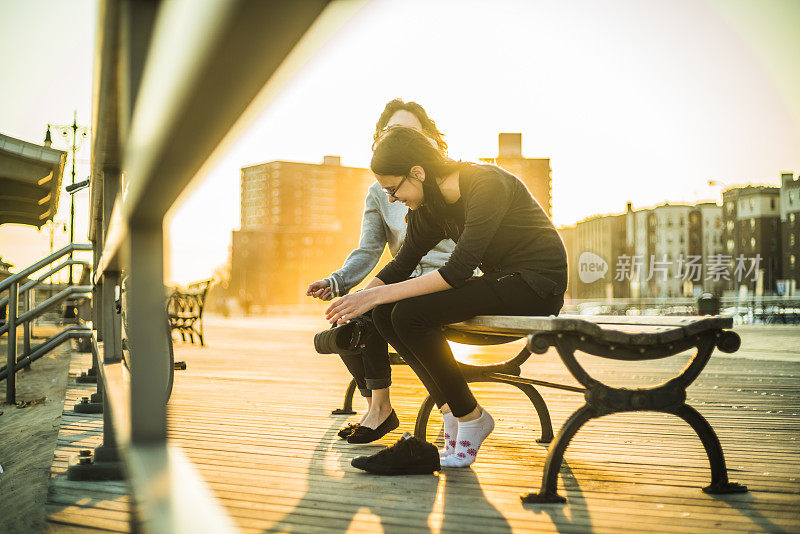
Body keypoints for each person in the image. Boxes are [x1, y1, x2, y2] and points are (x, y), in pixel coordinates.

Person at [326, 126, 567, 471]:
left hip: (536, 287)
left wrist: (375, 295)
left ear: (418, 172)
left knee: (408, 315)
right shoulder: (431, 208)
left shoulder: (486, 184)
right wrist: (361, 301)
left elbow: (457, 272)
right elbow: (401, 263)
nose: (392, 199)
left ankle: (471, 417)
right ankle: (453, 411)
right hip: (500, 282)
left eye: (393, 189)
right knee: (384, 316)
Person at [306, 99, 455, 444]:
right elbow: (370, 249)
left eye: (409, 131)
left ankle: (441, 409)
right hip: (399, 279)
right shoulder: (379, 192)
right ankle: (379, 407)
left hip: (445, 281)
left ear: (428, 138)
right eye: (391, 131)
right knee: (346, 318)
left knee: (376, 310)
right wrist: (339, 282)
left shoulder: (447, 181)